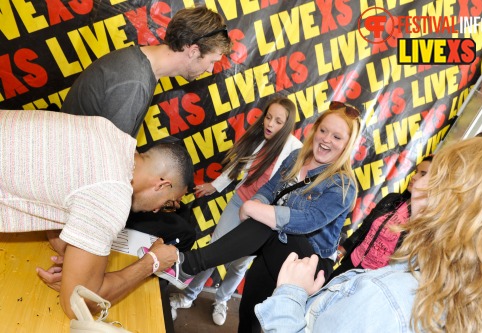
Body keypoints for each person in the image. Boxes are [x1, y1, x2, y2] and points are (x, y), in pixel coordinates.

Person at [140, 101, 362, 332]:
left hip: (308, 265)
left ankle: (187, 264)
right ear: (314, 129)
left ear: (348, 145)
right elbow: (270, 188)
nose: (326, 139)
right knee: (250, 311)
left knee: (266, 224)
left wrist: (254, 209)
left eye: (337, 137)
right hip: (277, 247)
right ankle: (187, 266)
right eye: (323, 130)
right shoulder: (297, 156)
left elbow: (307, 221)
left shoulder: (342, 184)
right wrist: (257, 202)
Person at [255, 136, 482, 333]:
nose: (420, 185)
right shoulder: (474, 302)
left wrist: (292, 293)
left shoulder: (384, 299)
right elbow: (366, 229)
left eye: (439, 179)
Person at [0, 110, 194, 318]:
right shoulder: (112, 192)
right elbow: (77, 304)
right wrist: (152, 262)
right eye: (168, 204)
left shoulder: (112, 134)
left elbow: (54, 193)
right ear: (162, 185)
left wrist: (78, 264)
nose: (157, 211)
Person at [169, 97, 303, 325]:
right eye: (268, 117)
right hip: (239, 202)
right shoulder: (258, 139)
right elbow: (237, 166)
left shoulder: (296, 150)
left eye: (278, 121)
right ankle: (188, 296)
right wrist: (215, 185)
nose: (270, 124)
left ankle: (222, 299)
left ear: (288, 125)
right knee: (213, 251)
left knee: (240, 264)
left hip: (262, 217)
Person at [61, 4, 232, 137]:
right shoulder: (134, 81)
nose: (211, 70)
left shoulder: (142, 66)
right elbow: (110, 159)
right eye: (212, 61)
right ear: (193, 51)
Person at [333, 155, 434, 277]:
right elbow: (363, 230)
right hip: (350, 265)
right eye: (416, 172)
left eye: (423, 174)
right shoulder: (392, 199)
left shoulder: (427, 223)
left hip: (373, 281)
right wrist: (339, 253)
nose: (414, 177)